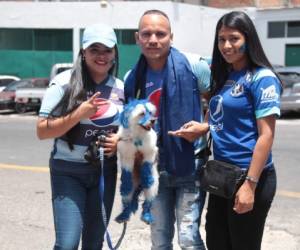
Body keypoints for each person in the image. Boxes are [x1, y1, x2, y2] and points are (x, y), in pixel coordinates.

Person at [170, 11, 282, 250]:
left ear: (248, 40)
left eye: (234, 38)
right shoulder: (227, 75)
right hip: (222, 176)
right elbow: (222, 111)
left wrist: (250, 185)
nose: (226, 45)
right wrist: (204, 126)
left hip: (250, 177)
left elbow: (266, 135)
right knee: (217, 243)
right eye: (221, 39)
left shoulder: (262, 79)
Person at [124, 9, 211, 250]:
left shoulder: (194, 66)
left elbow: (218, 103)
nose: (153, 39)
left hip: (190, 163)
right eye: (147, 33)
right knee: (159, 238)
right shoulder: (133, 77)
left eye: (160, 34)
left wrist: (204, 127)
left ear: (171, 36)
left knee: (188, 238)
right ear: (137, 38)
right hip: (153, 166)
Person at [36, 23, 124, 250]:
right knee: (67, 244)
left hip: (104, 173)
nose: (101, 56)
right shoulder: (63, 84)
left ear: (115, 53)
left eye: (107, 50)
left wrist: (120, 141)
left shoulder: (122, 88)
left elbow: (132, 130)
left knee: (94, 244)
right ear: (83, 53)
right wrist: (78, 114)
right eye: (94, 49)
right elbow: (42, 131)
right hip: (68, 172)